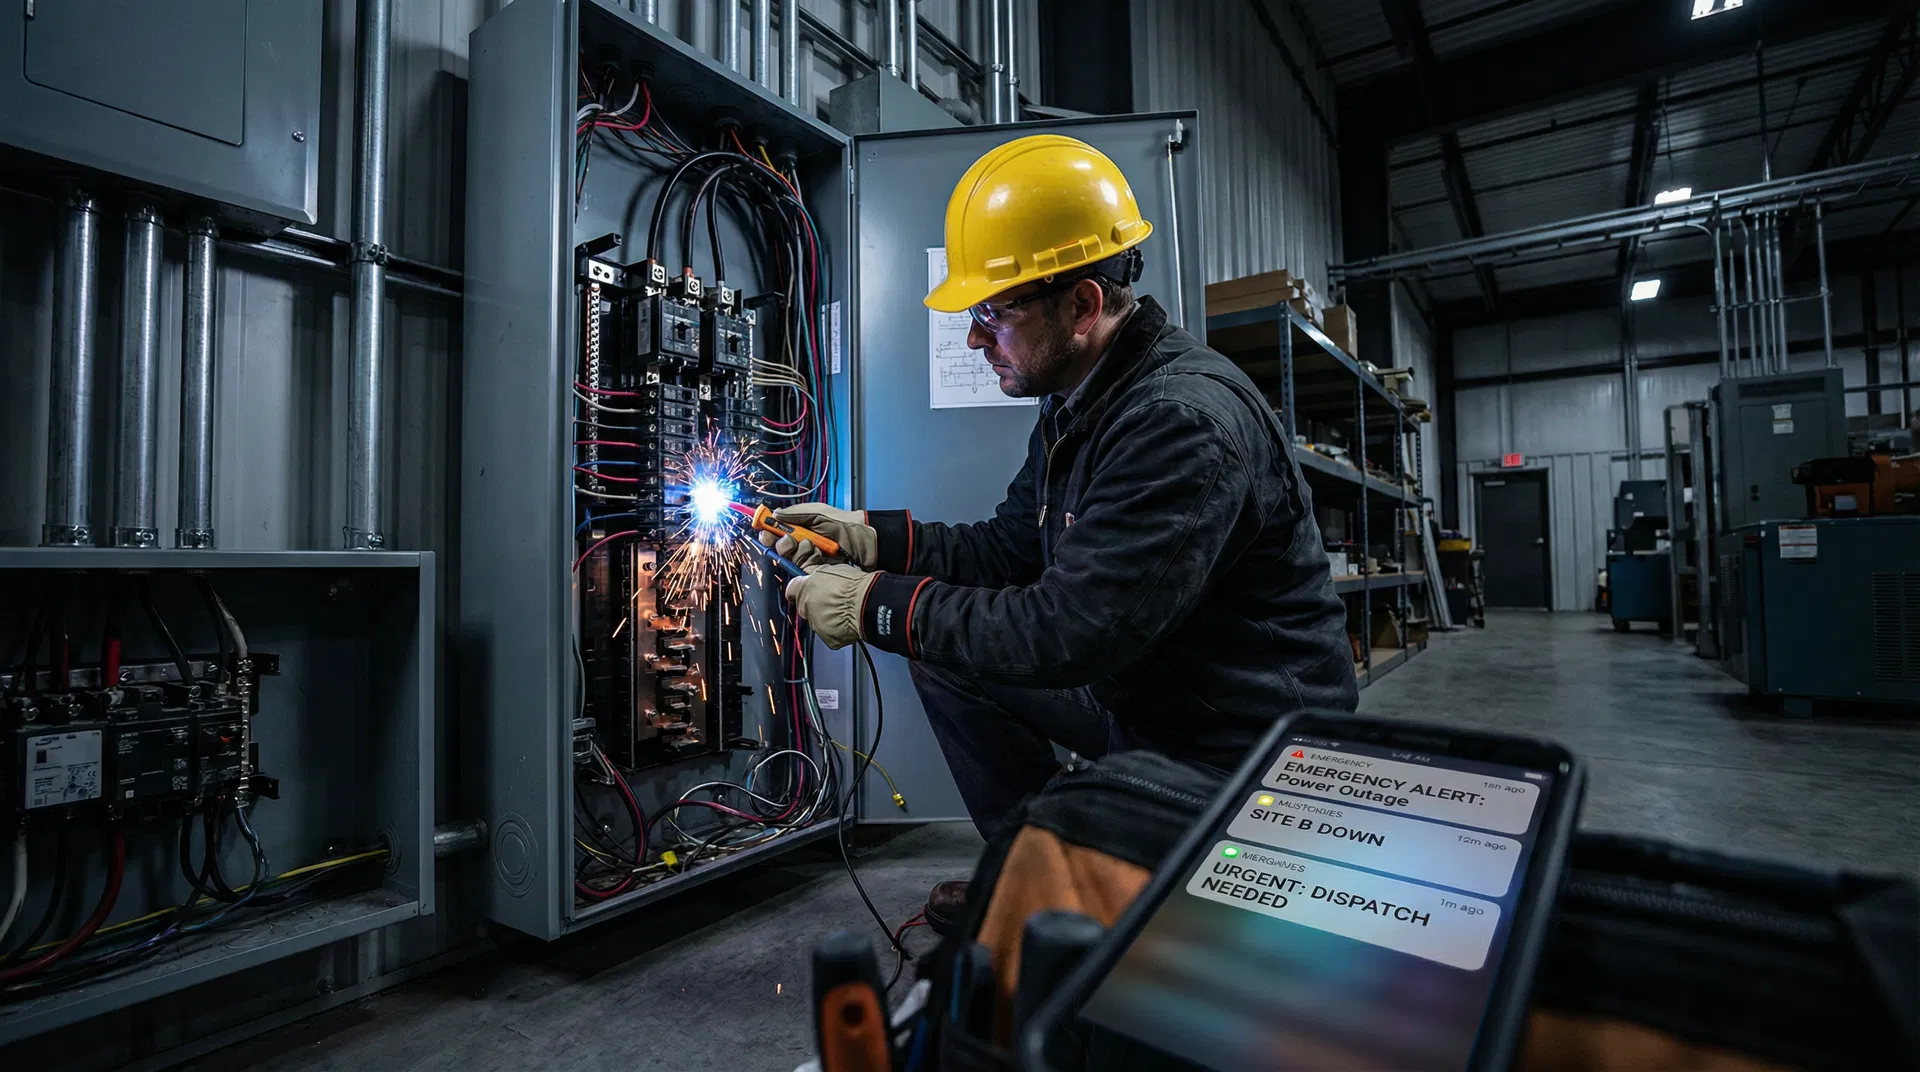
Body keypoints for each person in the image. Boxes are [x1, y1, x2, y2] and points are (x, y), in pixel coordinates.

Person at [770, 134, 1356, 880]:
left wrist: (874, 607)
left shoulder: (1180, 422)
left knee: (946, 637)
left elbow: (1068, 632)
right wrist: (868, 538)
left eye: (993, 312)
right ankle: (1038, 873)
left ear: (1081, 305)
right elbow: (1008, 549)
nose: (977, 338)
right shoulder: (1081, 402)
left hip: (1241, 746)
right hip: (1155, 697)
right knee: (949, 661)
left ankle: (1080, 874)